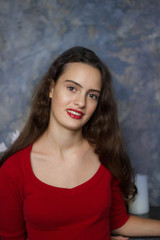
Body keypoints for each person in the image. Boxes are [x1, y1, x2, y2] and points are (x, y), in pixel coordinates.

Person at [0, 46, 159, 240]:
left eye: (92, 95)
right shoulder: (13, 170)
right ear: (51, 89)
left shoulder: (105, 154)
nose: (81, 102)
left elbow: (119, 222)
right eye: (72, 88)